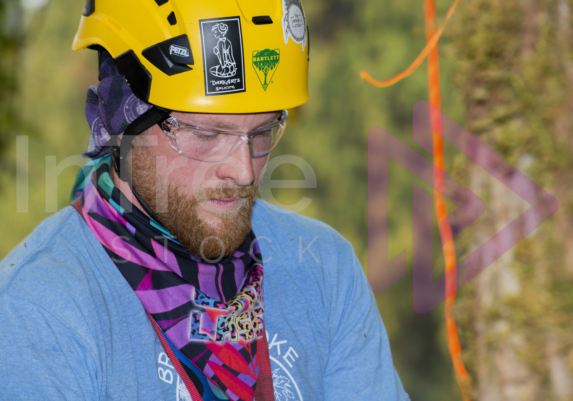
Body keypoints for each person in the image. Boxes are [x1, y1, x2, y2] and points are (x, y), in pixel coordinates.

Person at [0, 0, 410, 400]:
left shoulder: (325, 268)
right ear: (122, 116)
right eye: (207, 134)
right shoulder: (39, 309)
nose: (244, 171)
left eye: (263, 132)